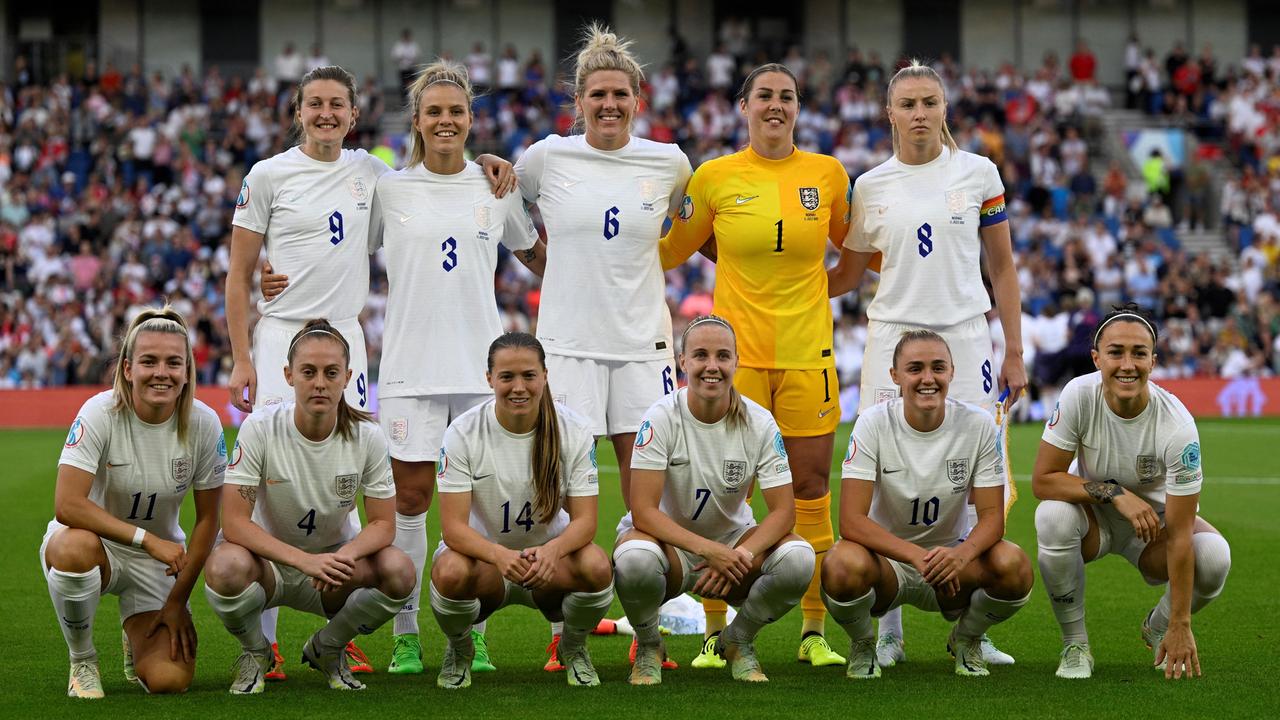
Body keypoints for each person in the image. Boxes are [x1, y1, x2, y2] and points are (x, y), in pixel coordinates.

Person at [232, 64, 513, 677]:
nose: (327, 113)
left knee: (391, 489)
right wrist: (261, 296)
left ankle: (450, 631)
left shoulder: (388, 177)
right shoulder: (349, 181)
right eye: (316, 104)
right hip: (367, 357)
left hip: (378, 354)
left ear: (355, 116)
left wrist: (495, 164)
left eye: (338, 104)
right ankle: (322, 639)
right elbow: (281, 255)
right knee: (309, 488)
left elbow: (519, 238)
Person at [828, 60, 1026, 667]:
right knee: (888, 476)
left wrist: (1013, 349)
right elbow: (848, 277)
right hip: (890, 341)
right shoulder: (871, 185)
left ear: (945, 109)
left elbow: (1003, 268)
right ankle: (887, 627)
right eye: (908, 104)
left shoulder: (978, 172)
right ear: (889, 113)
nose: (919, 113)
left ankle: (971, 623)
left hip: (967, 339)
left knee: (975, 480)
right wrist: (763, 273)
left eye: (929, 102)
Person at [660, 62, 853, 668]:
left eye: (787, 97)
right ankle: (719, 633)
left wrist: (808, 300)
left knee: (810, 490)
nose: (776, 105)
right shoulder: (714, 178)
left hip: (807, 355)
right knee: (725, 491)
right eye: (764, 96)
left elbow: (854, 260)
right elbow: (667, 250)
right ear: (743, 107)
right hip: (731, 360)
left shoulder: (827, 174)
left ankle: (813, 631)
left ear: (799, 108)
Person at [514, 23, 691, 670]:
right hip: (566, 349)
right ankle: (569, 634)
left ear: (638, 100)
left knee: (651, 500)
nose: (609, 104)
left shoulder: (670, 163)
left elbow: (696, 231)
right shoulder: (546, 158)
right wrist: (547, 266)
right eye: (597, 95)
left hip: (645, 347)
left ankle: (649, 633)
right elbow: (505, 212)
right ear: (578, 101)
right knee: (561, 497)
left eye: (621, 94)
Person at [371, 59, 545, 676]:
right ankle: (406, 634)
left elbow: (537, 256)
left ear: (472, 119)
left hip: (480, 373)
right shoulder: (388, 188)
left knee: (475, 511)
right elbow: (339, 249)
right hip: (409, 370)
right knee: (412, 502)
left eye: (457, 111)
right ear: (416, 121)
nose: (446, 121)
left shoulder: (496, 187)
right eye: (434, 112)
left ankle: (469, 633)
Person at [203, 320, 415, 694]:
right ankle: (256, 651)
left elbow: (383, 525)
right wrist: (303, 561)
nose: (320, 382)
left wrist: (344, 555)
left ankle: (328, 648)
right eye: (309, 372)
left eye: (331, 373)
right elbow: (234, 523)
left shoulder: (368, 436)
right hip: (267, 567)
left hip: (333, 572)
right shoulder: (260, 428)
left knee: (399, 570)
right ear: (288, 376)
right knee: (224, 566)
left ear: (347, 377)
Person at [1032, 304, 1231, 680]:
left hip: (1153, 530)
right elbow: (1043, 480)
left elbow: (1182, 531)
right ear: (1096, 358)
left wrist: (1180, 622)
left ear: (1153, 361)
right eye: (1116, 352)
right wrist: (1114, 492)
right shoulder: (1078, 394)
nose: (1127, 364)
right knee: (1052, 516)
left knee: (1215, 557)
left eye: (1139, 353)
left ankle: (1157, 626)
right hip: (1094, 516)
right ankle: (1075, 644)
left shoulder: (1178, 425)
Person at [614, 315, 815, 684]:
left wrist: (741, 554)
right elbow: (641, 510)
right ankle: (649, 644)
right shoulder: (660, 417)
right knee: (633, 559)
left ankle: (738, 640)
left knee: (799, 559)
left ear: (736, 362)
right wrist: (708, 551)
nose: (712, 366)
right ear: (683, 362)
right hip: (669, 548)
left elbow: (784, 512)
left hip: (735, 548)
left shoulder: (760, 422)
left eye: (723, 356)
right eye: (701, 355)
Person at [822, 330, 1033, 679]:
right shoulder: (872, 423)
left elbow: (993, 517)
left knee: (1015, 566)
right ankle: (863, 643)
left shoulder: (978, 424)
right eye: (915, 368)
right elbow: (851, 522)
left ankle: (966, 639)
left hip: (952, 566)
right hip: (887, 566)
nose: (927, 378)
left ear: (952, 372)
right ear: (895, 376)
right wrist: (917, 557)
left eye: (938, 367)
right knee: (840, 565)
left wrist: (959, 556)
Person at [43, 307, 225, 698]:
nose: (162, 372)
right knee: (72, 548)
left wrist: (177, 601)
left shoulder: (206, 424)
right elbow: (68, 505)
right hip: (98, 544)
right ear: (128, 369)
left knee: (169, 681)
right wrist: (148, 539)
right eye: (149, 361)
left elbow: (209, 520)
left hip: (156, 564)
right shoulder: (99, 412)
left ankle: (136, 638)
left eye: (174, 362)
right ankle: (82, 661)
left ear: (188, 370)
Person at [428, 333, 614, 689]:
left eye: (529, 375)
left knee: (597, 565)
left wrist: (551, 551)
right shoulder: (463, 432)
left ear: (545, 375)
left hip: (549, 565)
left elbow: (586, 522)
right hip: (486, 564)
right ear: (489, 380)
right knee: (449, 571)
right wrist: (499, 555)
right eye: (507, 377)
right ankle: (460, 648)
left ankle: (572, 649)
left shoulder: (573, 430)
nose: (519, 387)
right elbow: (452, 529)